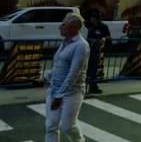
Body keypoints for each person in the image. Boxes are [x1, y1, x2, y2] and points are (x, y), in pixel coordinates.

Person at [43, 13, 90, 142]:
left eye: (63, 25)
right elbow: (59, 66)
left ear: (73, 28)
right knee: (50, 126)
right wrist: (46, 77)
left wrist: (59, 96)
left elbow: (74, 73)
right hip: (54, 90)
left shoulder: (81, 45)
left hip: (72, 93)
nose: (60, 27)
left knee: (67, 127)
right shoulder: (65, 43)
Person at [84, 10, 110, 94]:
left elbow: (108, 37)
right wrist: (92, 41)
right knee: (88, 70)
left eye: (94, 18)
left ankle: (93, 86)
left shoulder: (103, 27)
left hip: (98, 51)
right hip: (90, 50)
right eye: (92, 18)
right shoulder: (90, 26)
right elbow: (88, 37)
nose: (92, 20)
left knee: (94, 70)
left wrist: (103, 39)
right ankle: (87, 86)